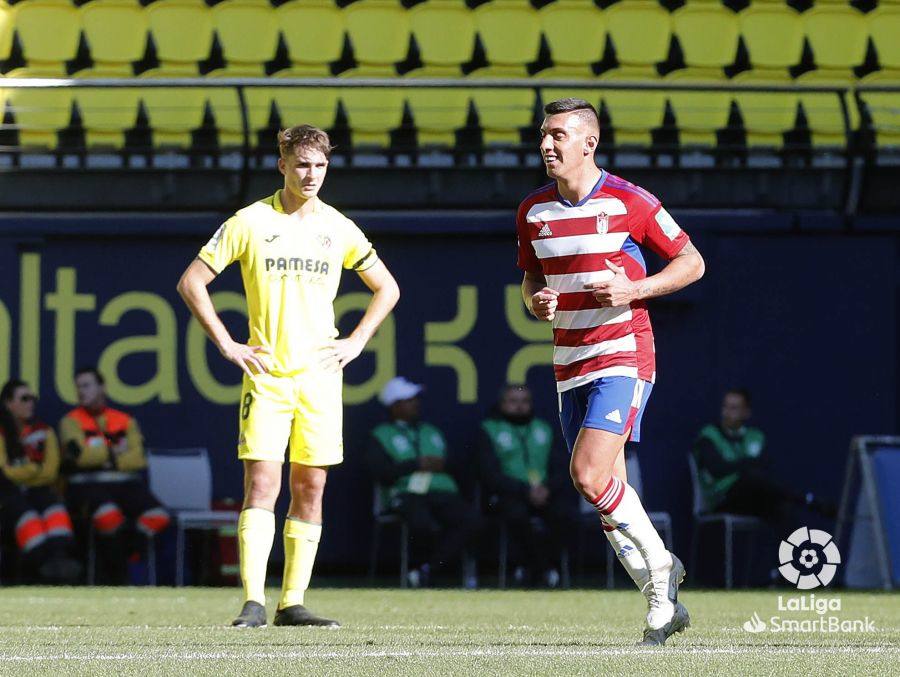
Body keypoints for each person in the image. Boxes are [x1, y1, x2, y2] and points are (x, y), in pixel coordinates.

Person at [177, 124, 400, 628]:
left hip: (319, 378)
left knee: (312, 488)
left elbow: (387, 288)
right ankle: (253, 601)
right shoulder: (251, 221)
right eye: (302, 164)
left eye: (320, 165)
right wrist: (227, 343)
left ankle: (291, 601)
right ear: (282, 166)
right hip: (270, 376)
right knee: (262, 483)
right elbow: (192, 281)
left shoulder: (338, 227)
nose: (312, 174)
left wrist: (357, 340)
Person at [515, 98, 705, 646]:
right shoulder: (532, 211)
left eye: (557, 135)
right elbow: (530, 280)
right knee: (605, 490)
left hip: (622, 352)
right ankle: (662, 600)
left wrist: (633, 289)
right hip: (568, 362)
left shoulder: (630, 201)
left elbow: (692, 262)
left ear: (588, 143)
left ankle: (661, 575)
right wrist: (536, 302)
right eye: (543, 136)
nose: (547, 145)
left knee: (588, 476)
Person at [59, 367, 170, 583]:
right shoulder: (70, 422)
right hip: (86, 485)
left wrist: (101, 454)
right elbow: (80, 457)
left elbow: (138, 459)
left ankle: (129, 552)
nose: (82, 392)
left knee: (158, 515)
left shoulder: (124, 420)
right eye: (78, 387)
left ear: (102, 387)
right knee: (108, 516)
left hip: (125, 484)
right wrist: (114, 451)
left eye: (87, 385)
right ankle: (118, 578)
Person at [367, 377, 480, 588]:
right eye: (409, 400)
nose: (415, 403)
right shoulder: (381, 435)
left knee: (470, 519)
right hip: (407, 494)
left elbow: (460, 466)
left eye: (415, 399)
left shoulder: (431, 432)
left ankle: (428, 570)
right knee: (421, 522)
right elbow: (381, 472)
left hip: (442, 491)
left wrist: (442, 464)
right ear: (395, 405)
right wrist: (415, 464)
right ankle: (426, 571)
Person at [477, 384, 576, 587]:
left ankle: (545, 567)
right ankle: (538, 568)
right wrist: (524, 490)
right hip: (510, 493)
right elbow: (489, 473)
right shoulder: (490, 429)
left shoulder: (544, 428)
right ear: (502, 404)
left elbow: (560, 467)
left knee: (564, 514)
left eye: (524, 402)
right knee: (516, 515)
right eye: (513, 402)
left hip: (544, 493)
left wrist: (546, 488)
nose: (520, 407)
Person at [693, 389, 834, 526]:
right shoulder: (709, 435)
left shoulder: (755, 437)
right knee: (752, 477)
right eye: (725, 407)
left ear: (746, 413)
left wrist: (741, 465)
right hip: (723, 499)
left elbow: (765, 467)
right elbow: (716, 469)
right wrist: (747, 463)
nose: (726, 413)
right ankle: (806, 500)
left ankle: (794, 549)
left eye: (734, 408)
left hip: (753, 497)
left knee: (781, 508)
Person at [0, 379, 82, 583]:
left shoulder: (44, 431)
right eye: (24, 398)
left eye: (32, 399)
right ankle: (39, 572)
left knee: (55, 511)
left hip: (39, 491)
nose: (31, 403)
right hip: (8, 495)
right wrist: (34, 468)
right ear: (8, 403)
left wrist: (25, 471)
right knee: (28, 517)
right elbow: (5, 473)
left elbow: (51, 472)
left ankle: (59, 564)